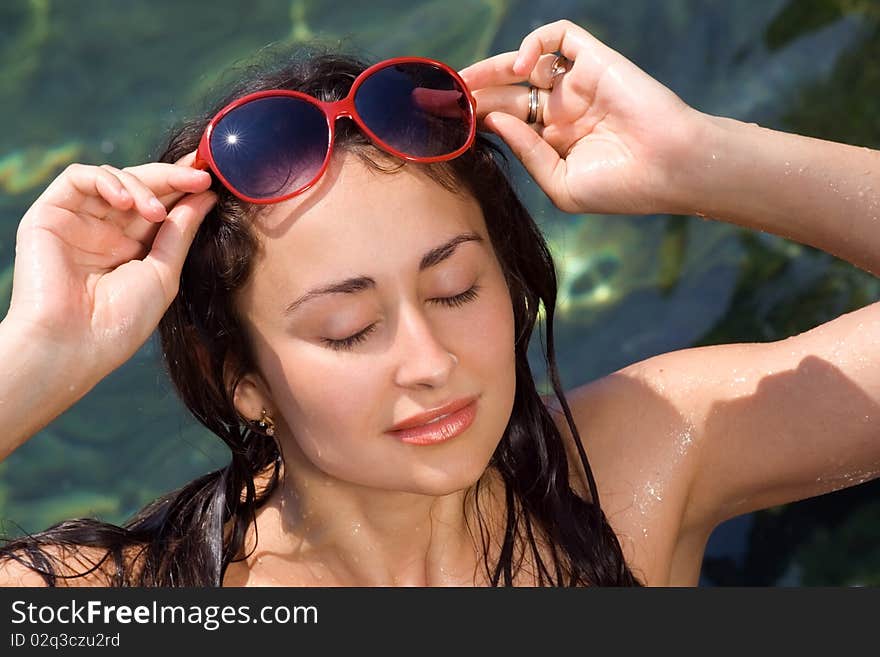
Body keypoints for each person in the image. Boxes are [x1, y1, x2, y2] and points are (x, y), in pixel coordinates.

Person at [0, 18, 877, 587]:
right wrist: (35, 359)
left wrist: (705, 160)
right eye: (348, 331)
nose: (430, 362)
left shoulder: (643, 469)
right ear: (242, 381)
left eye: (455, 288)